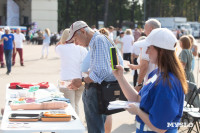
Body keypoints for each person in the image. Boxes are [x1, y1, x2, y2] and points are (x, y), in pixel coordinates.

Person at [113, 28, 188, 132]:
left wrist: (138, 111)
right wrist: (120, 77)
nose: (146, 52)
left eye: (149, 48)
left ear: (161, 51)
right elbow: (137, 99)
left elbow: (160, 128)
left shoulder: (166, 83)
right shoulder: (156, 74)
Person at [66, 21, 123, 133]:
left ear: (83, 31)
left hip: (97, 91)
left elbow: (101, 71)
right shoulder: (99, 40)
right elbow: (103, 68)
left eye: (75, 39)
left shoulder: (98, 40)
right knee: (97, 127)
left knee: (95, 129)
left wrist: (81, 81)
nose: (76, 44)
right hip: (100, 91)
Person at [55, 29, 87, 115]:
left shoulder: (60, 48)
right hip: (80, 80)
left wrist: (62, 41)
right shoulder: (82, 49)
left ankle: (73, 124)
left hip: (66, 80)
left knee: (69, 106)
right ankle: (77, 124)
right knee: (76, 104)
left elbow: (57, 47)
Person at [134, 19, 160, 92]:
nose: (144, 32)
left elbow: (144, 66)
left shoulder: (148, 42)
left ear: (151, 29)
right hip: (162, 82)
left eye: (145, 29)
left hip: (151, 83)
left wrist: (138, 84)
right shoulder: (164, 42)